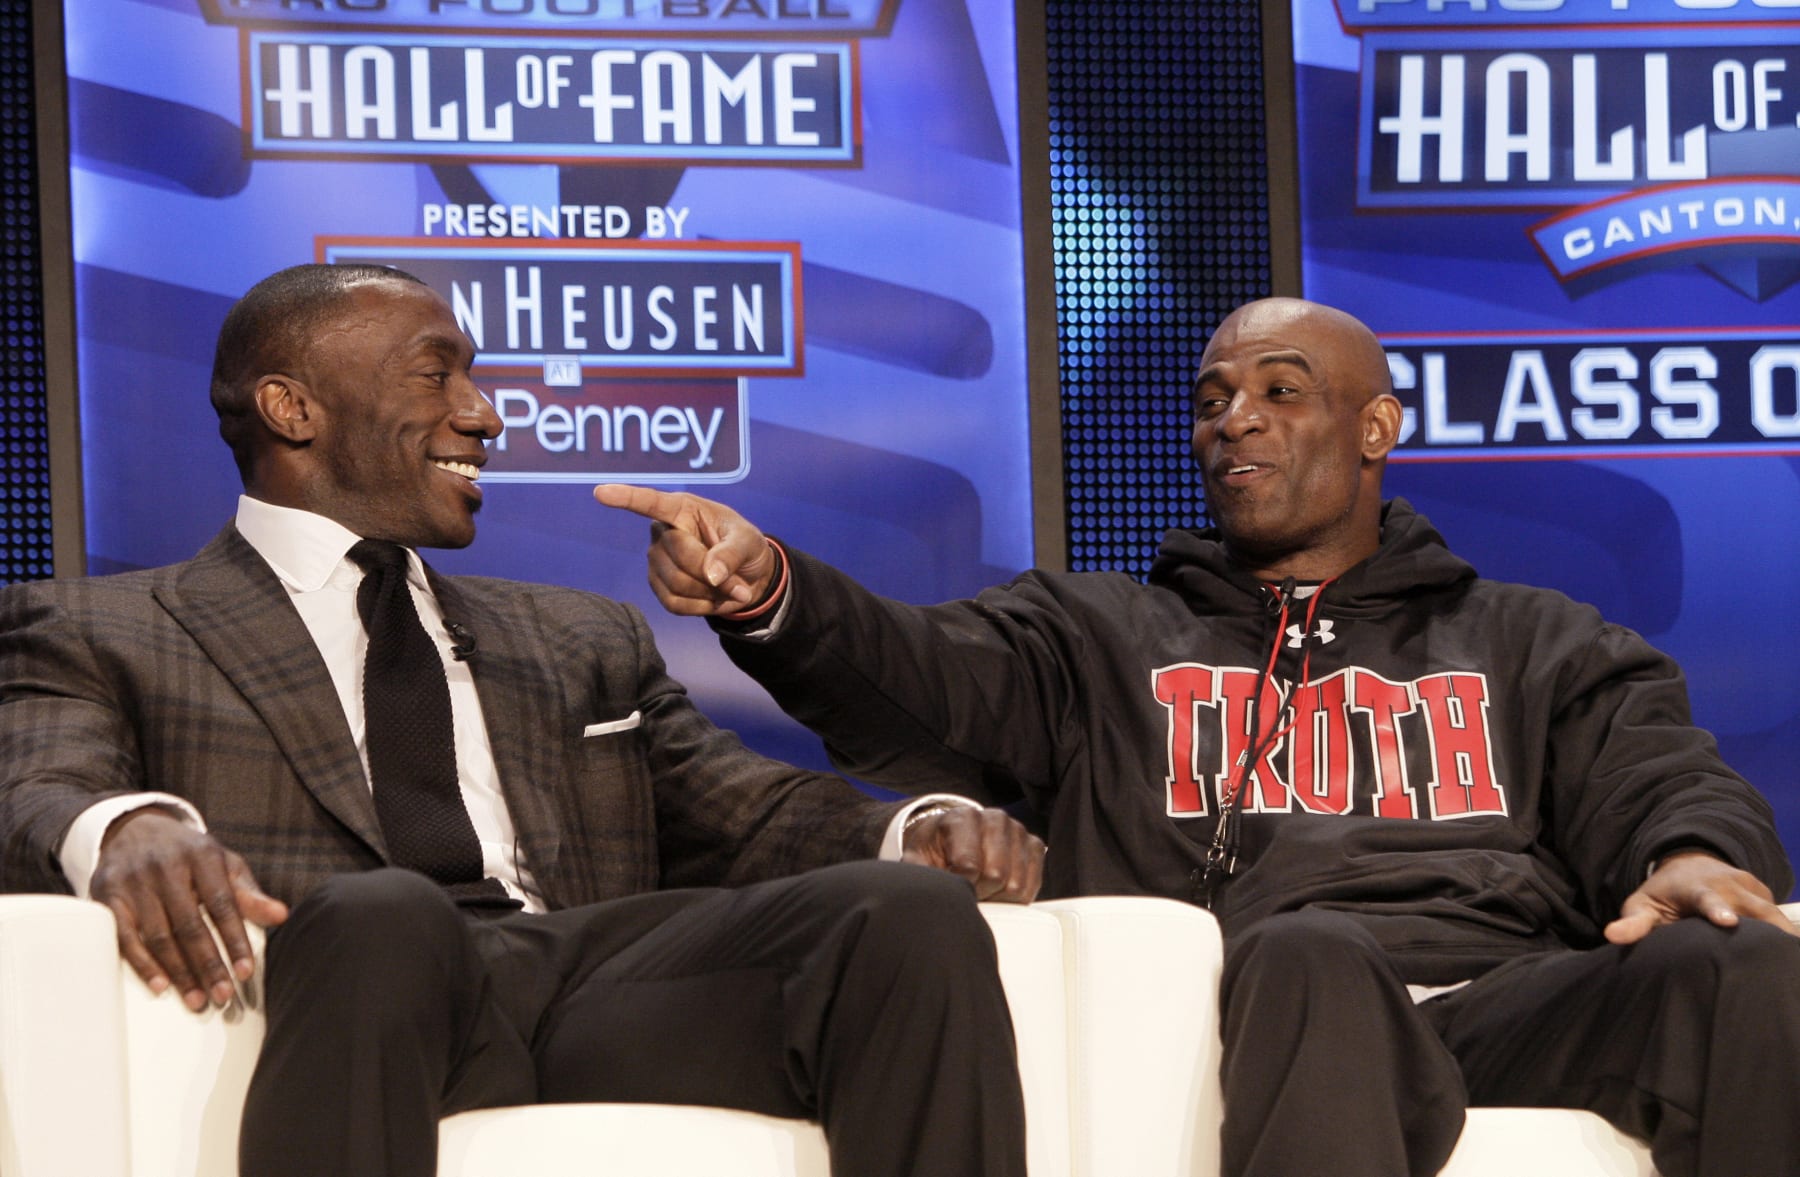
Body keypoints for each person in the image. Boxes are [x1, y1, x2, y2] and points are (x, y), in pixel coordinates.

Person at [595, 296, 1800, 1177]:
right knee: (1314, 949)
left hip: (1510, 995)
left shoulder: (1537, 640)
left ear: (1376, 427)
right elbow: (918, 673)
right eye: (1213, 399)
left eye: (1281, 391)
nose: (1235, 422)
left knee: (1741, 963)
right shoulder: (1102, 632)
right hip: (1287, 999)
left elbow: (1656, 773)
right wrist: (773, 594)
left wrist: (1690, 851)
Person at [0, 263, 1045, 1177]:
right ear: (292, 407)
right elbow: (39, 782)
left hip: (587, 981)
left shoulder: (574, 635)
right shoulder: (105, 624)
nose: (485, 412)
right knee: (386, 914)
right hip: (354, 985)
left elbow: (747, 810)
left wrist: (913, 829)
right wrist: (128, 825)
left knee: (905, 918)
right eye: (435, 372)